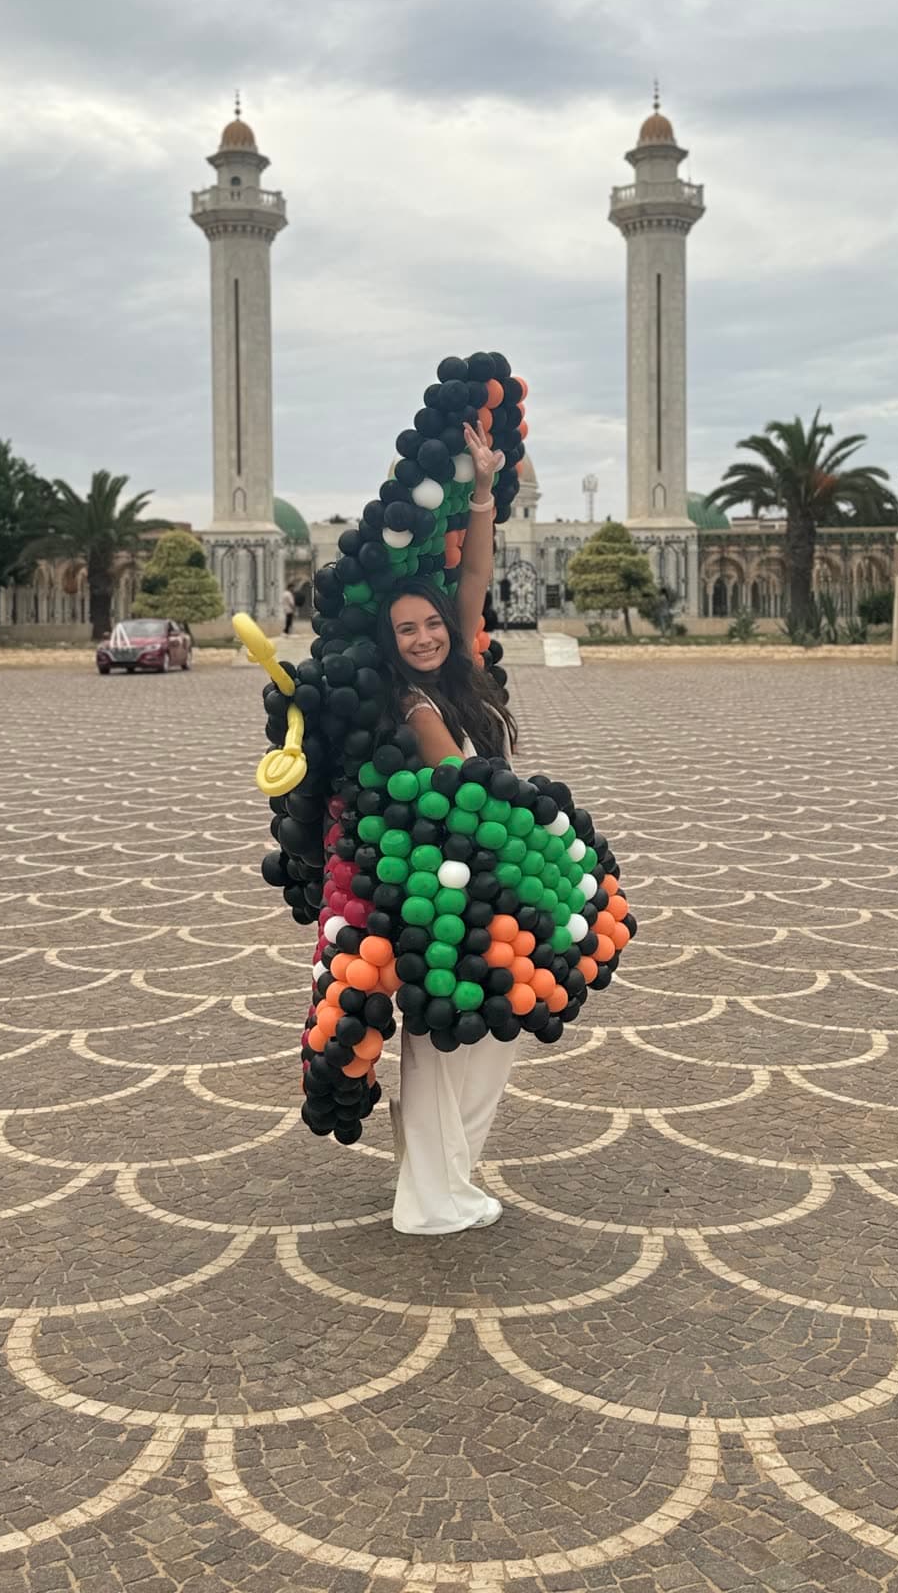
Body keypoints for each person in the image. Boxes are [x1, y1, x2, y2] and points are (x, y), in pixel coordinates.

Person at [379, 420, 519, 1235]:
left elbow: (475, 577)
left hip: (467, 879)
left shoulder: (457, 669)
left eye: (432, 625)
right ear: (391, 644)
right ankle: (433, 1195)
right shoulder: (417, 705)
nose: (428, 635)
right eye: (409, 630)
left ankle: (437, 1178)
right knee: (451, 1042)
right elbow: (469, 793)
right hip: (444, 889)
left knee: (467, 1040)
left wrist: (481, 491)